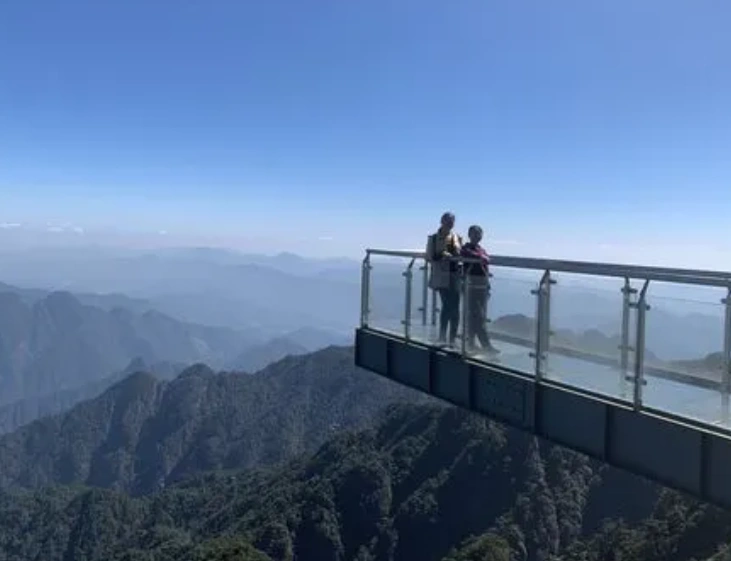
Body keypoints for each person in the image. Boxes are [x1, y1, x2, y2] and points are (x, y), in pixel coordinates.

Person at [460, 225, 499, 354]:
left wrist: (487, 287)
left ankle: (470, 343)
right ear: (470, 235)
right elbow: (471, 256)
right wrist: (481, 258)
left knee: (474, 317)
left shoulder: (481, 250)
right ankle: (486, 346)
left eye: (479, 234)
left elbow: (485, 263)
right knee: (478, 317)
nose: (478, 236)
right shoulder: (466, 249)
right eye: (475, 234)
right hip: (470, 286)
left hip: (482, 286)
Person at [426, 212, 462, 346]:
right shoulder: (434, 238)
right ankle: (442, 336)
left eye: (452, 220)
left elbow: (460, 255)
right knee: (448, 305)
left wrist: (456, 255)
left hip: (455, 275)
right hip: (441, 277)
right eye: (448, 220)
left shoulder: (457, 237)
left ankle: (452, 339)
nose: (450, 223)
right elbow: (429, 257)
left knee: (456, 307)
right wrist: (441, 255)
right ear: (442, 221)